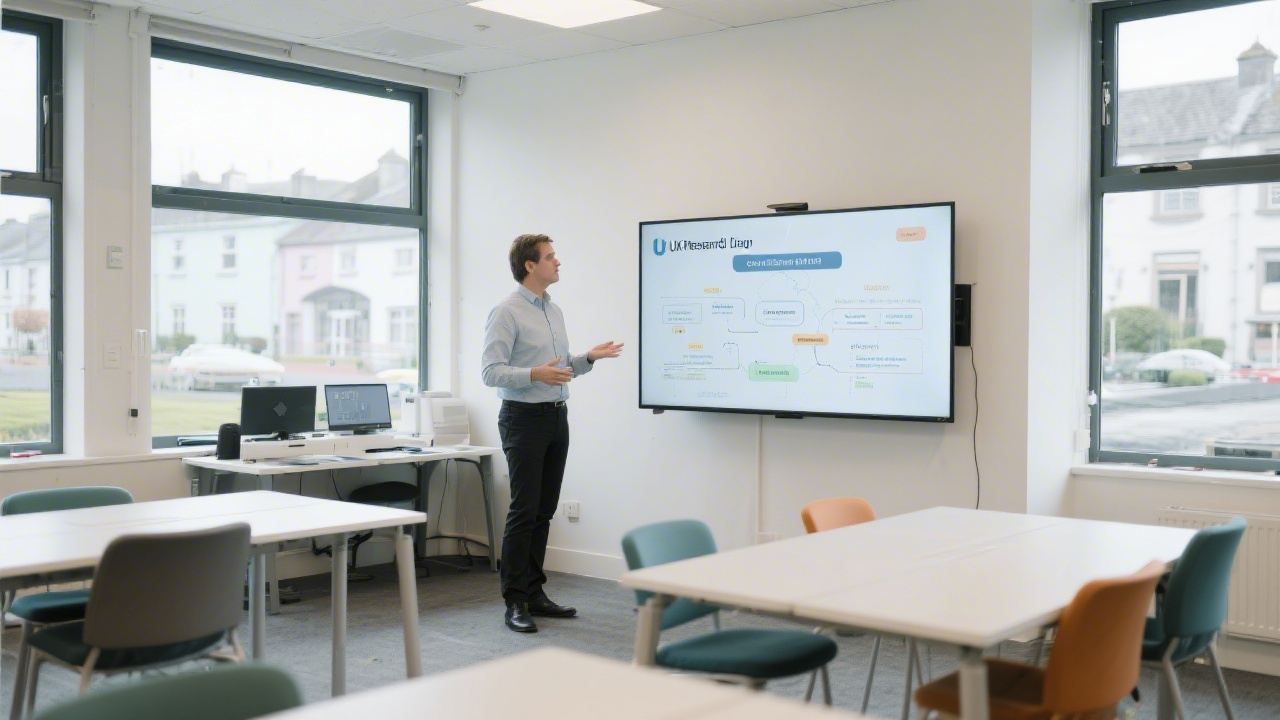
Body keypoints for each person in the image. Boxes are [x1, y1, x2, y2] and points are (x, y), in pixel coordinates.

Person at [481, 233, 623, 633]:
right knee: (524, 511)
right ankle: (514, 601)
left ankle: (535, 592)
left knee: (544, 510)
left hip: (556, 416)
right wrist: (534, 374)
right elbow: (491, 372)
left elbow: (560, 369)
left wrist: (588, 358)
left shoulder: (552, 310)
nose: (557, 262)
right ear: (530, 265)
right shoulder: (506, 311)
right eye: (550, 257)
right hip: (522, 418)